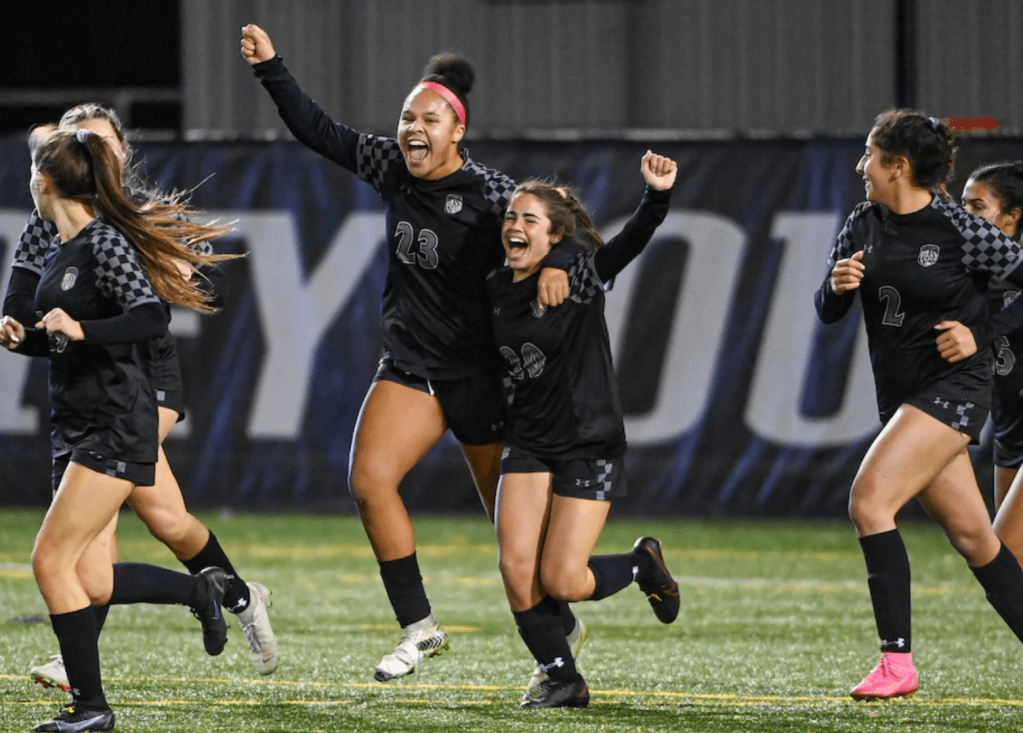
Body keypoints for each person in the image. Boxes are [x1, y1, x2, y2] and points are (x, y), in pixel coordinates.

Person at [240, 24, 583, 683]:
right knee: (369, 481)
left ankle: (558, 623)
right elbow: (319, 130)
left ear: (457, 131)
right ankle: (419, 628)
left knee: (512, 527)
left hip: (482, 374)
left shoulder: (491, 194)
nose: (412, 128)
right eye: (406, 117)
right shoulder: (394, 167)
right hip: (412, 366)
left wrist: (560, 265)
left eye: (429, 119)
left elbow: (558, 231)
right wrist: (271, 68)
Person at [4, 104, 279, 689]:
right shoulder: (49, 219)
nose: (91, 151)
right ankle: (232, 594)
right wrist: (26, 328)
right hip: (90, 381)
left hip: (142, 380)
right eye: (80, 141)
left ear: (121, 154)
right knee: (167, 520)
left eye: (101, 143)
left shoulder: (127, 219)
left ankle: (78, 660)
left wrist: (157, 273)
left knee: (89, 525)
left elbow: (196, 293)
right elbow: (21, 301)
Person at [814, 110, 1023, 701]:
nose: (862, 167)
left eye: (870, 156)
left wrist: (980, 334)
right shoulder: (863, 221)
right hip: (902, 395)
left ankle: (896, 662)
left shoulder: (961, 228)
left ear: (899, 166)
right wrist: (835, 288)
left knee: (869, 500)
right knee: (976, 539)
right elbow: (827, 311)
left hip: (954, 388)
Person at [489, 151, 682, 708]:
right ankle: (563, 678)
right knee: (515, 567)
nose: (514, 225)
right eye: (511, 216)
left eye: (529, 219)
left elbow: (625, 244)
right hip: (529, 439)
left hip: (587, 441)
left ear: (554, 235)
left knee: (563, 581)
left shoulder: (576, 275)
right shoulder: (495, 285)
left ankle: (642, 564)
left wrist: (656, 197)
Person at [955, 163, 1023, 558]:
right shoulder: (970, 267)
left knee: (1007, 550)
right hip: (1009, 421)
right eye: (963, 205)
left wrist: (980, 333)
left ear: (1011, 216)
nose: (966, 216)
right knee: (1012, 564)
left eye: (977, 206)